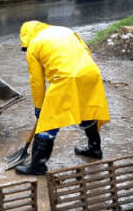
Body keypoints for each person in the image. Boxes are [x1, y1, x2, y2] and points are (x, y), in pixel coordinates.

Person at [16, 21, 110, 175]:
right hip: (90, 72)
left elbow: (37, 83)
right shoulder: (64, 30)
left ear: (26, 37)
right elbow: (85, 50)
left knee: (48, 120)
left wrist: (39, 108)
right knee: (87, 110)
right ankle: (95, 148)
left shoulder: (33, 45)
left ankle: (37, 165)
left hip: (65, 77)